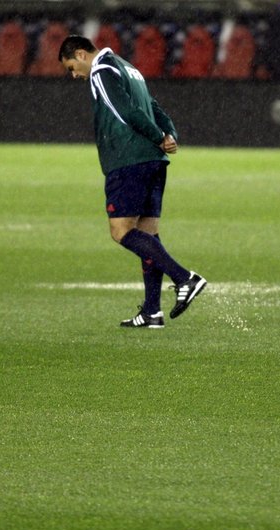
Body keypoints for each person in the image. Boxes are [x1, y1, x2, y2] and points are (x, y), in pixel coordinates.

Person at [58, 35, 207, 329]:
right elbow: (153, 105)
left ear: (81, 54)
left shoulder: (101, 71)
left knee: (121, 230)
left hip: (129, 159)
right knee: (147, 233)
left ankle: (184, 279)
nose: (75, 75)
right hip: (153, 160)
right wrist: (168, 133)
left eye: (72, 67)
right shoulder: (129, 68)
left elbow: (124, 112)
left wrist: (156, 136)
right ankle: (152, 311)